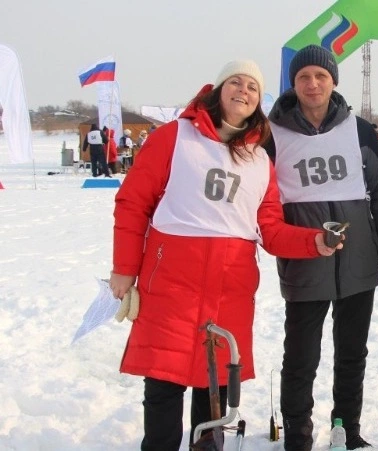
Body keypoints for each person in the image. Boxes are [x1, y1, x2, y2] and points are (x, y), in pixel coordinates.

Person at [108, 60, 341, 451]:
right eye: (235, 82)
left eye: (252, 87)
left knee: (213, 386)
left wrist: (313, 241)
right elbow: (132, 204)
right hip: (171, 284)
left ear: (258, 102)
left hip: (228, 289)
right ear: (218, 90)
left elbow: (270, 228)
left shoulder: (260, 161)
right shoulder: (173, 137)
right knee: (164, 383)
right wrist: (124, 268)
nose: (243, 91)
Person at [264, 44, 378, 451]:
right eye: (304, 76)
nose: (313, 84)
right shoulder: (275, 136)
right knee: (301, 359)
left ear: (333, 81)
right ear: (293, 83)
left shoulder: (359, 131)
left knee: (351, 355)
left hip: (359, 263)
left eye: (321, 76)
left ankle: (346, 428)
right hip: (305, 263)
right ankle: (298, 436)